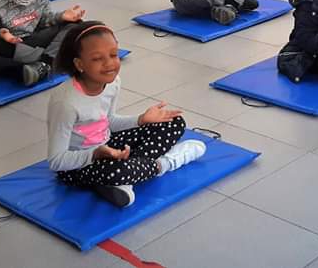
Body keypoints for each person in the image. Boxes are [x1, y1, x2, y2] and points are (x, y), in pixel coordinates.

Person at [47, 21, 206, 207]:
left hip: (107, 146)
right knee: (114, 171)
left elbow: (110, 122)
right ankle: (165, 163)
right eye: (97, 59)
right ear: (79, 64)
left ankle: (127, 174)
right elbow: (56, 162)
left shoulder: (113, 83)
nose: (109, 64)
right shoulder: (66, 102)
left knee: (173, 122)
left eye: (113, 55)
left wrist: (141, 120)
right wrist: (95, 154)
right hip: (77, 165)